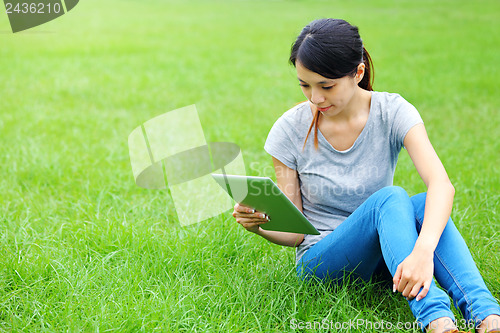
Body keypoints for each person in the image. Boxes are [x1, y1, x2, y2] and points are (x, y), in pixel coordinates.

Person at [231, 18, 500, 333]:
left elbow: (441, 184)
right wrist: (260, 227)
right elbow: (294, 234)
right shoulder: (289, 130)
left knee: (424, 202)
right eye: (305, 85)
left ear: (357, 73)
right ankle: (437, 319)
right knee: (392, 197)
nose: (315, 98)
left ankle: (486, 316)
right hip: (322, 261)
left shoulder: (392, 111)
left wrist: (423, 251)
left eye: (326, 86)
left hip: (388, 257)